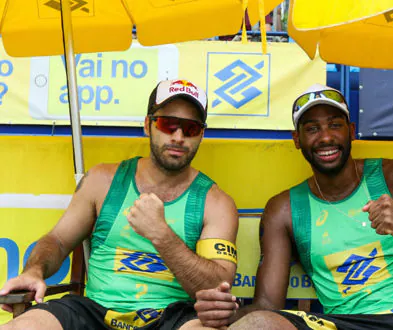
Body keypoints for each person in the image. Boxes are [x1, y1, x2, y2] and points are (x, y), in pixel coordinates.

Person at [191, 84, 393, 330]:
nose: (325, 137)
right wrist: (227, 313)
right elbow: (268, 305)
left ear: (351, 131)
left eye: (335, 125)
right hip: (356, 324)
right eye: (312, 128)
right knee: (259, 326)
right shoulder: (284, 209)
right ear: (297, 140)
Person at [0, 79, 239, 330]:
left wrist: (162, 235)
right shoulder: (102, 180)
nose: (178, 137)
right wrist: (34, 270)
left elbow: (216, 287)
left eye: (190, 129)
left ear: (202, 134)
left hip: (172, 317)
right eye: (168, 124)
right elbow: (58, 240)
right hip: (93, 312)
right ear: (148, 125)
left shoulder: (216, 202)